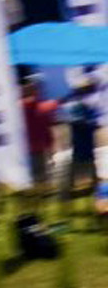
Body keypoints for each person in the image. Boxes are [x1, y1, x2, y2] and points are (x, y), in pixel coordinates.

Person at [64, 78, 101, 208]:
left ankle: (95, 192)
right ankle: (69, 194)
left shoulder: (82, 105)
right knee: (80, 166)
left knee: (87, 166)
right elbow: (78, 123)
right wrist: (92, 125)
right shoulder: (77, 105)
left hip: (84, 143)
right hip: (81, 143)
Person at [22, 76, 59, 205]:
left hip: (26, 148)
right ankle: (44, 195)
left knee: (33, 174)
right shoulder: (41, 106)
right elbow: (48, 125)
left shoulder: (19, 107)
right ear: (36, 91)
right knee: (43, 173)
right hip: (41, 146)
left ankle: (35, 195)